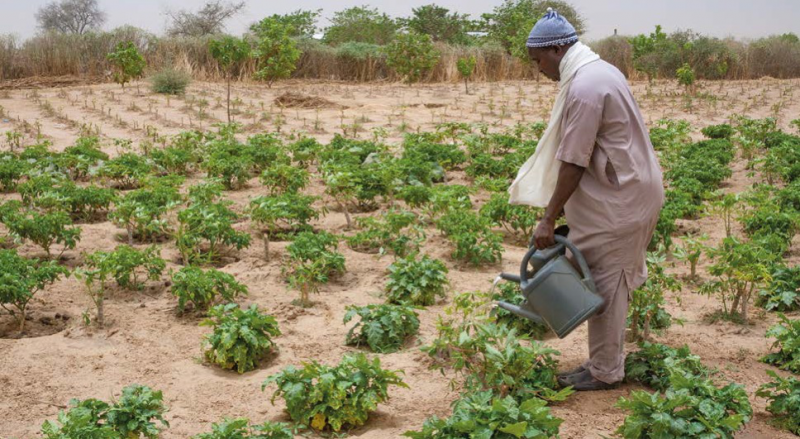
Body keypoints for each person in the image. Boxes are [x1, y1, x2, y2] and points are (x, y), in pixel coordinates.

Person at [508, 9, 664, 391]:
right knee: (599, 276)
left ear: (558, 49)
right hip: (624, 191)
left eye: (539, 61)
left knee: (607, 284)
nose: (539, 70)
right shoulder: (600, 72)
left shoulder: (585, 87)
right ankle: (602, 362)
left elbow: (574, 160)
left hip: (622, 200)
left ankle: (606, 371)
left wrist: (548, 217)